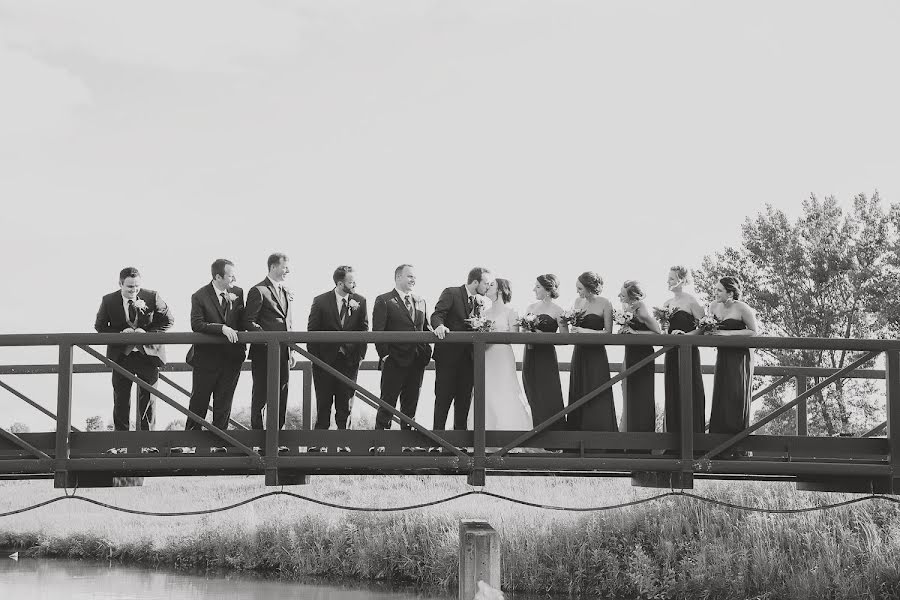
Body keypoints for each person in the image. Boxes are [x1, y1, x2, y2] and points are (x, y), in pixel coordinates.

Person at [93, 267, 175, 444]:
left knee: (149, 401)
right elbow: (100, 326)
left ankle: (148, 444)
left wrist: (145, 332)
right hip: (122, 356)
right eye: (130, 287)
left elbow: (168, 320)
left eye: (137, 286)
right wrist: (120, 333)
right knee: (121, 400)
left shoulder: (152, 296)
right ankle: (121, 444)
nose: (134, 291)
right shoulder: (109, 300)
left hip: (149, 355)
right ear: (120, 284)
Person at [183, 259, 246, 452]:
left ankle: (220, 445)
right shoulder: (199, 296)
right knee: (199, 401)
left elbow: (242, 320)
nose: (234, 278)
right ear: (218, 277)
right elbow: (197, 324)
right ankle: (190, 444)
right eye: (230, 275)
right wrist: (221, 328)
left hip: (232, 357)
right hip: (206, 358)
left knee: (224, 402)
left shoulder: (238, 292)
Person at [371, 264, 433, 453]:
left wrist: (427, 350)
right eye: (409, 276)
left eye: (415, 277)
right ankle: (381, 442)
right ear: (398, 277)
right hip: (395, 359)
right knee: (387, 400)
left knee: (411, 402)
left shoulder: (421, 301)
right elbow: (378, 331)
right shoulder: (384, 300)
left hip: (417, 360)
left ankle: (408, 443)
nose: (413, 280)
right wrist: (386, 354)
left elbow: (425, 328)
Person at [307, 265, 368, 452]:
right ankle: (319, 443)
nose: (354, 284)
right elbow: (311, 331)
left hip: (349, 361)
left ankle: (343, 442)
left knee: (346, 403)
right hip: (324, 361)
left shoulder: (360, 301)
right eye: (351, 281)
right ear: (340, 283)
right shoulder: (320, 301)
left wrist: (359, 357)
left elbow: (364, 330)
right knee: (323, 402)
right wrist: (316, 359)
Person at [430, 267, 495, 431]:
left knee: (464, 400)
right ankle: (437, 442)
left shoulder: (480, 302)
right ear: (475, 282)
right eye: (486, 283)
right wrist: (440, 326)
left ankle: (458, 444)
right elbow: (437, 315)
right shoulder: (451, 293)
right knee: (443, 399)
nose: (488, 287)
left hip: (469, 359)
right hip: (448, 358)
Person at [244, 253, 295, 436]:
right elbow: (249, 322)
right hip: (264, 352)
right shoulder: (258, 290)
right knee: (261, 395)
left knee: (282, 394)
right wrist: (268, 339)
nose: (288, 270)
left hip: (284, 353)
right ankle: (258, 436)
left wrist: (290, 351)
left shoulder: (286, 291)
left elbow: (288, 322)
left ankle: (277, 436)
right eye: (285, 267)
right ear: (273, 267)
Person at [703, 276, 757, 436]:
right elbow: (708, 329)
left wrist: (725, 333)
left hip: (739, 356)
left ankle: (736, 441)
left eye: (719, 290)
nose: (716, 293)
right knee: (721, 393)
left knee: (735, 394)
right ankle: (717, 440)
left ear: (730, 292)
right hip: (722, 354)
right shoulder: (713, 306)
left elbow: (753, 332)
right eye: (715, 289)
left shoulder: (742, 308)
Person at [567, 271, 617, 432]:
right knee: (578, 389)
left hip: (596, 354)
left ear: (590, 288)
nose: (577, 292)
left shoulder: (605, 303)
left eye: (580, 288)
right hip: (580, 351)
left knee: (597, 389)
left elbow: (608, 332)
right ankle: (576, 435)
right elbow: (574, 328)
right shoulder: (577, 302)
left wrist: (583, 330)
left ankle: (600, 436)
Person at [482, 278, 532, 431]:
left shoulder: (511, 312)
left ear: (500, 290)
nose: (487, 287)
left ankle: (509, 433)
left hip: (503, 356)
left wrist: (494, 336)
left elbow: (514, 336)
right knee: (486, 391)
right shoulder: (483, 312)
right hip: (486, 356)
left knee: (504, 390)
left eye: (491, 285)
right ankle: (483, 435)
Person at [661, 266, 706, 436]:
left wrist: (685, 335)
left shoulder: (691, 302)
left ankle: (692, 436)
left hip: (688, 351)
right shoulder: (666, 304)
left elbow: (703, 327)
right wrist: (665, 329)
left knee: (689, 388)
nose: (668, 282)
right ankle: (672, 437)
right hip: (671, 351)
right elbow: (663, 331)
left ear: (682, 280)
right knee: (672, 389)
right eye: (668, 278)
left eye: (671, 279)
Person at [521, 275, 567, 431]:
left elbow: (565, 338)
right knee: (531, 391)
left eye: (538, 287)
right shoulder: (530, 308)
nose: (534, 289)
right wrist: (527, 330)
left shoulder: (558, 311)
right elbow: (523, 331)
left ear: (548, 290)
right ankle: (534, 431)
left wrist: (542, 334)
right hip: (529, 354)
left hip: (546, 356)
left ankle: (554, 434)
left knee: (548, 394)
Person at [617, 280, 662, 435]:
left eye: (622, 295)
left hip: (643, 355)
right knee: (627, 391)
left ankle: (642, 435)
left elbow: (657, 332)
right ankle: (627, 433)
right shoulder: (626, 308)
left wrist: (636, 333)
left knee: (641, 394)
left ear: (632, 296)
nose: (619, 297)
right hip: (630, 353)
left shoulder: (641, 308)